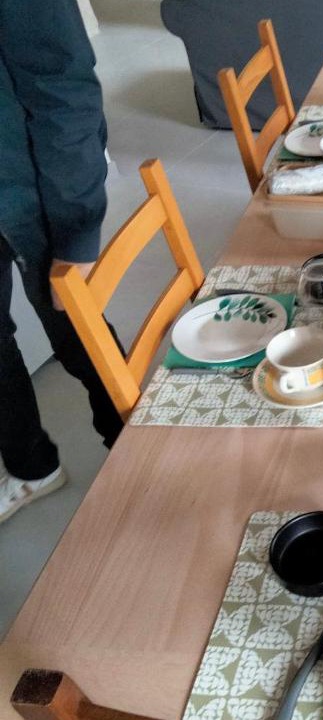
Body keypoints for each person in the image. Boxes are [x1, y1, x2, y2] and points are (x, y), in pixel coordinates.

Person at [0, 0, 124, 524]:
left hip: (29, 188)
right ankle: (32, 468)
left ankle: (138, 454)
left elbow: (63, 85)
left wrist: (77, 235)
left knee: (74, 328)